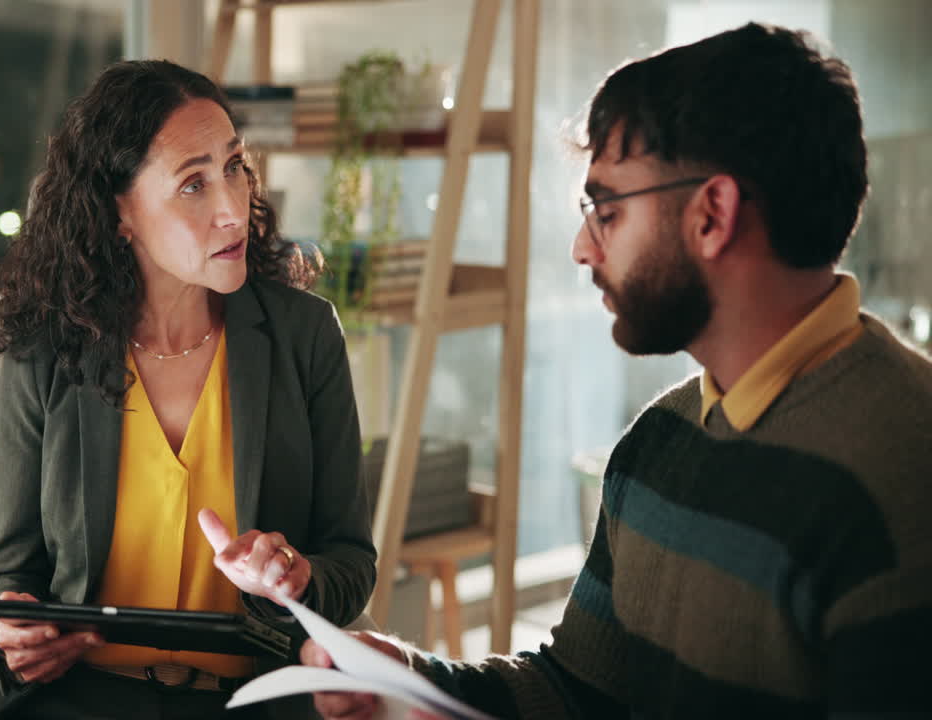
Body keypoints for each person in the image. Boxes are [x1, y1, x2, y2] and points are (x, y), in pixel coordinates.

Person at [303, 22, 932, 719]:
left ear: (712, 215)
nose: (582, 248)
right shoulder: (659, 442)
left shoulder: (902, 473)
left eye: (605, 211)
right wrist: (410, 682)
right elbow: (580, 689)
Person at [0, 59, 377, 720]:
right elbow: (5, 574)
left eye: (235, 166)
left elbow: (351, 562)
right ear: (118, 211)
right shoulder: (47, 348)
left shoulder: (305, 336)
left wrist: (298, 577)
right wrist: (13, 631)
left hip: (251, 704)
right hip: (78, 700)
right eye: (193, 184)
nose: (232, 209)